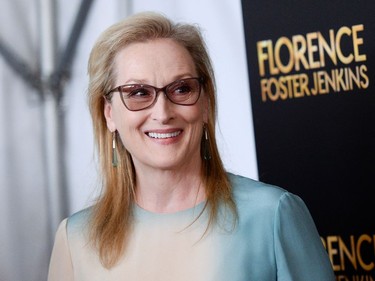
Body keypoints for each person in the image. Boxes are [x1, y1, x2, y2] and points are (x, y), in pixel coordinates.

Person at [47, 11, 335, 281]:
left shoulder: (272, 216)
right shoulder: (76, 239)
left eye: (181, 88)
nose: (162, 112)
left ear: (206, 102)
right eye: (138, 92)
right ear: (109, 112)